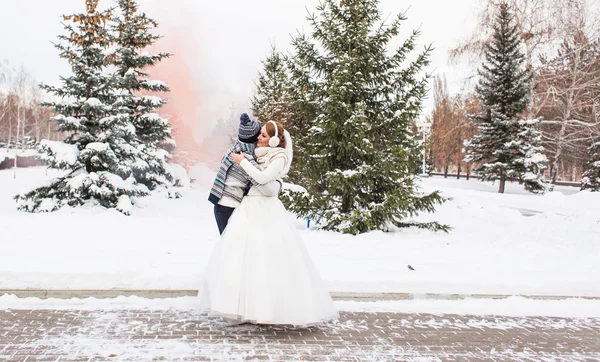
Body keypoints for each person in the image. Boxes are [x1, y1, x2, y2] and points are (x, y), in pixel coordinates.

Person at [198, 121, 338, 326]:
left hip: (265, 209)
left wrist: (244, 162)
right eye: (260, 134)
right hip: (249, 206)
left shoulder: (278, 157)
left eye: (263, 135)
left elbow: (263, 179)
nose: (259, 138)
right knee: (243, 257)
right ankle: (240, 308)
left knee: (268, 259)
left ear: (274, 140)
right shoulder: (258, 154)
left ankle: (269, 308)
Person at [208, 113, 282, 234]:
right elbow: (260, 180)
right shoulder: (245, 158)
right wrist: (278, 183)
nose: (259, 138)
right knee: (231, 245)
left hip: (221, 206)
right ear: (253, 139)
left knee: (228, 244)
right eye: (259, 135)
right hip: (229, 207)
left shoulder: (235, 149)